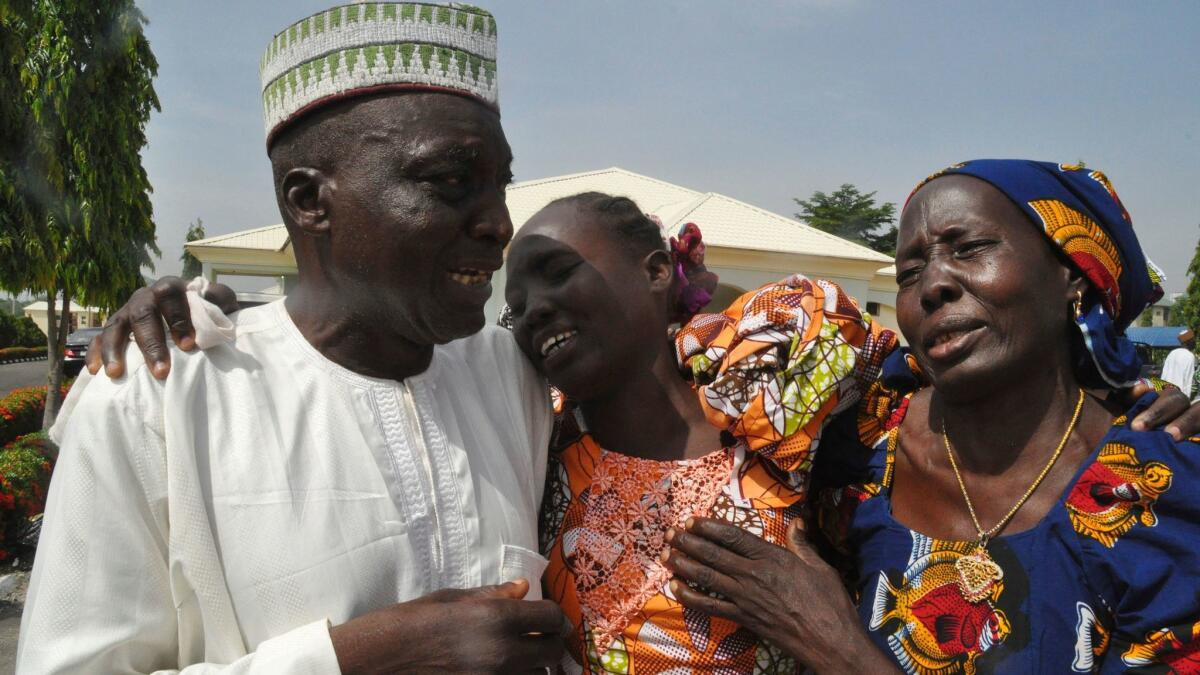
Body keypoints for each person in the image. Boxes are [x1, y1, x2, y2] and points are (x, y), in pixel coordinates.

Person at [97, 182, 1200, 675]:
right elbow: (356, 348)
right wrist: (207, 316)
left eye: (557, 273)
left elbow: (964, 377)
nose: (529, 311)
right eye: (513, 297)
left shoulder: (786, 388)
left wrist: (1128, 421)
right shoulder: (532, 440)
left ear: (655, 268)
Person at [18, 4, 568, 673]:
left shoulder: (514, 378)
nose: (499, 224)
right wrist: (353, 660)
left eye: (498, 186)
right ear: (309, 200)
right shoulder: (155, 400)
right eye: (451, 182)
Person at [664, 160, 1200, 673]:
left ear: (1072, 274)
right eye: (909, 272)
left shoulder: (1160, 495)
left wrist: (834, 647)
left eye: (970, 248)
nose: (932, 285)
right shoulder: (860, 442)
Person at [1162, 328, 1196, 397]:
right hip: (1179, 397)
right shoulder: (1190, 356)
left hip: (1165, 394)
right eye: (1193, 340)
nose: (1194, 342)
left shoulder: (1172, 353)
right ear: (1188, 341)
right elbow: (1189, 381)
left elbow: (1164, 375)